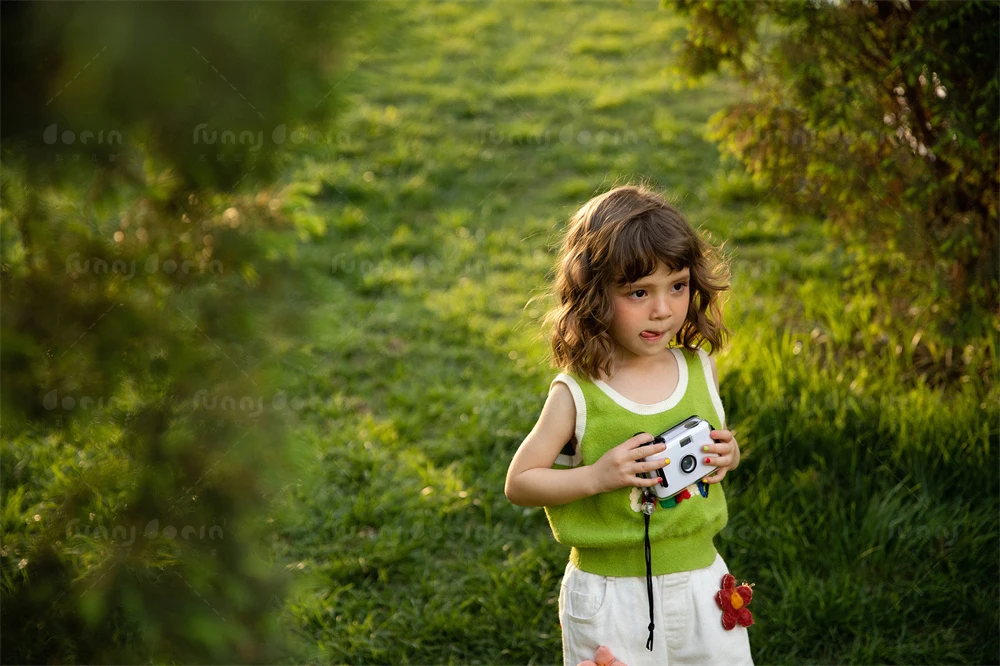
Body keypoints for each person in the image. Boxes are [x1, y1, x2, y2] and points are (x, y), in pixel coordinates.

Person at [505, 184, 754, 666]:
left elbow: (718, 452)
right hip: (610, 595)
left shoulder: (700, 369)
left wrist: (728, 455)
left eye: (677, 285)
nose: (662, 309)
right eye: (639, 292)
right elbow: (520, 482)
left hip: (702, 580)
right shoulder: (577, 392)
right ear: (594, 296)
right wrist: (596, 476)